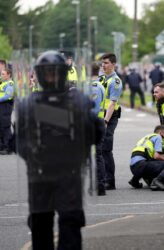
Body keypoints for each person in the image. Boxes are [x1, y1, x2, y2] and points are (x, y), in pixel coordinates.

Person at [16, 50, 104, 250]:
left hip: (69, 173)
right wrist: (35, 156)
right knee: (40, 223)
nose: (51, 77)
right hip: (39, 174)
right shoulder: (29, 104)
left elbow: (96, 133)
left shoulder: (78, 101)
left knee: (70, 222)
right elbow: (20, 141)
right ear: (40, 75)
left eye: (55, 73)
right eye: (47, 73)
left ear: (63, 73)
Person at [99, 53, 123, 190]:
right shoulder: (101, 78)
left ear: (113, 64)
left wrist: (105, 121)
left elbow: (112, 104)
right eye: (102, 63)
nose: (103, 65)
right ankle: (101, 177)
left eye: (106, 63)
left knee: (106, 149)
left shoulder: (115, 81)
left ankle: (110, 181)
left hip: (109, 117)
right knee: (99, 149)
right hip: (100, 116)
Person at [129, 125, 164, 191]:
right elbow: (157, 156)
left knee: (153, 163)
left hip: (134, 167)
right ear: (160, 133)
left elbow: (156, 155)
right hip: (142, 165)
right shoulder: (158, 137)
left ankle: (134, 180)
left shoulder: (147, 137)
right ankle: (157, 181)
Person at [90, 63, 107, 196]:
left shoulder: (94, 87)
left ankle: (99, 185)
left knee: (96, 155)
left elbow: (94, 109)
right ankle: (96, 185)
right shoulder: (98, 85)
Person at [0, 68, 15, 155]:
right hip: (1, 105)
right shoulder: (3, 83)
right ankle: (2, 146)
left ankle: (8, 147)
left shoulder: (10, 83)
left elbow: (7, 96)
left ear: (8, 75)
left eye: (3, 74)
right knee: (1, 126)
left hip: (5, 106)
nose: (1, 75)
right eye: (1, 74)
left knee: (5, 126)